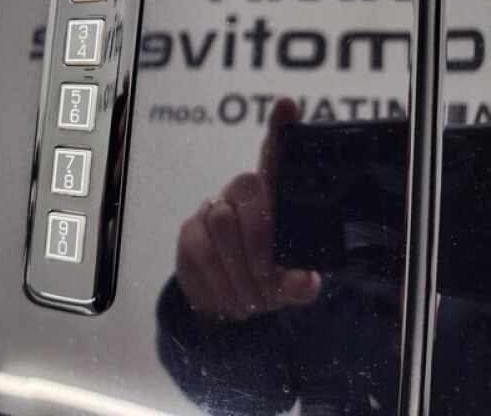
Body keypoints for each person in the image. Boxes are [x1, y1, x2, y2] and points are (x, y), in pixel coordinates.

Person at [157, 99, 491, 415]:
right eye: (391, 178)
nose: (405, 202)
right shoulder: (317, 293)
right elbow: (242, 390)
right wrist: (212, 311)